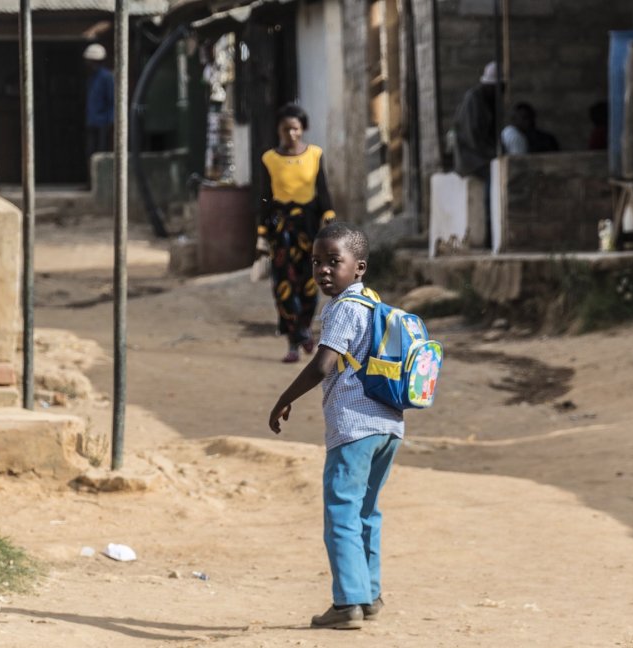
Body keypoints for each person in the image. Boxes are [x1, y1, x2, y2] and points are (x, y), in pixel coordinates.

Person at [267, 222, 403, 630]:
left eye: (333, 262)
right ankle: (370, 595)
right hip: (388, 426)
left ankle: (347, 604)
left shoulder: (343, 308)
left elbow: (323, 365)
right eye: (316, 262)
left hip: (354, 428)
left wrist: (284, 398)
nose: (323, 270)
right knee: (366, 511)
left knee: (341, 512)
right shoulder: (374, 303)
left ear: (358, 268)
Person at [256, 104, 337, 363]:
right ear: (278, 131)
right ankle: (294, 341)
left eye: (295, 129)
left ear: (302, 129)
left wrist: (330, 218)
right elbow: (265, 197)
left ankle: (304, 329)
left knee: (310, 282)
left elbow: (322, 190)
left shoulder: (314, 154)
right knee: (283, 284)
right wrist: (261, 231)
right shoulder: (269, 159)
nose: (291, 134)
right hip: (281, 229)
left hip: (309, 227)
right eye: (285, 129)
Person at [452, 61, 499, 179]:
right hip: (472, 159)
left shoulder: (488, 101)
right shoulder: (474, 99)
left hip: (482, 155)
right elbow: (473, 137)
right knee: (493, 176)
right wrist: (493, 153)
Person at [83, 43, 114, 164]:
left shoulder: (106, 77)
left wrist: (110, 122)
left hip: (103, 123)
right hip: (92, 121)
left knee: (101, 153)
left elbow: (112, 100)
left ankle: (102, 182)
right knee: (91, 152)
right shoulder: (92, 78)